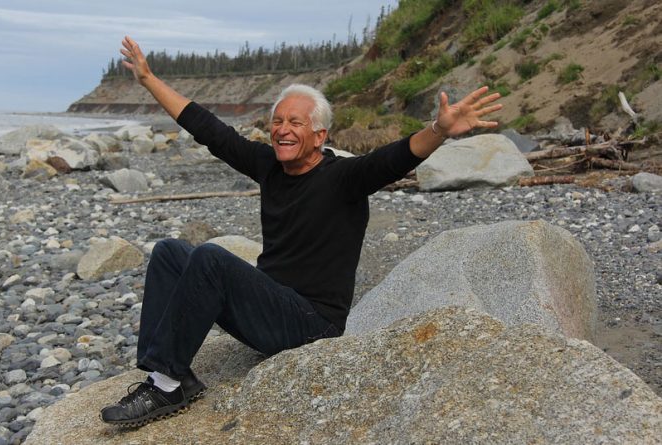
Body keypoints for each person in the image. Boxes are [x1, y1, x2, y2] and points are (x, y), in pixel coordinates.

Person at [100, 36, 503, 428]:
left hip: (312, 326)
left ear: (320, 135)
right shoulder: (269, 166)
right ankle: (166, 374)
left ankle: (168, 387)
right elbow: (209, 130)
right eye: (277, 121)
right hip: (271, 310)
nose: (283, 129)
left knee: (210, 257)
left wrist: (439, 128)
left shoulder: (345, 177)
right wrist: (149, 80)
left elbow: (393, 159)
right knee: (170, 251)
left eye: (296, 122)